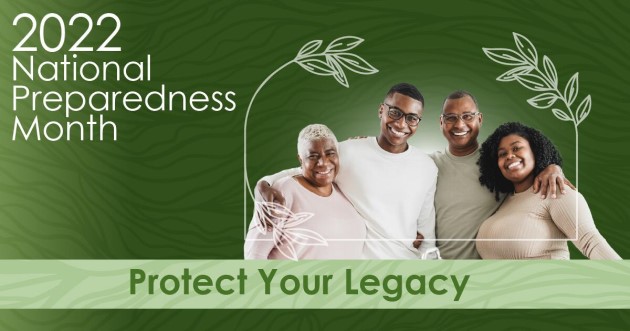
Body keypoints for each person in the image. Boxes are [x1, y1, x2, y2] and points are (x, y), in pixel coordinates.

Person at [256, 83, 438, 259]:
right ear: (381, 110)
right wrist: (263, 184)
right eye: (395, 112)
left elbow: (426, 232)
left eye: (411, 118)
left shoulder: (427, 167)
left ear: (418, 122)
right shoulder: (349, 152)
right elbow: (302, 171)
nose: (401, 124)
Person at [431, 91, 570, 259]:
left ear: (479, 119)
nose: (459, 125)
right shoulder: (428, 165)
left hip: (491, 274)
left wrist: (553, 167)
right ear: (441, 122)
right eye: (451, 117)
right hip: (439, 273)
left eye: (467, 116)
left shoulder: (496, 163)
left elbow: (528, 171)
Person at [475, 122, 621, 259]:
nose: (510, 156)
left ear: (535, 151)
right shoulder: (504, 201)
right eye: (502, 154)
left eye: (516, 148)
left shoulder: (556, 190)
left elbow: (591, 242)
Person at [244, 124, 366, 259]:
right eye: (313, 156)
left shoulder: (345, 189)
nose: (323, 163)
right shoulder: (283, 191)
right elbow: (254, 255)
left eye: (330, 153)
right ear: (300, 159)